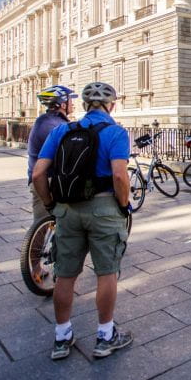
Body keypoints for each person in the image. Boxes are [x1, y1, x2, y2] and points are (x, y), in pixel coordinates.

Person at [32, 82, 133, 361]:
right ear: (111, 105)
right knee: (106, 272)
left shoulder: (62, 130)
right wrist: (124, 206)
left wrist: (51, 204)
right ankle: (105, 336)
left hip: (67, 209)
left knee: (65, 274)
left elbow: (39, 173)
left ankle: (62, 337)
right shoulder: (115, 132)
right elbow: (119, 177)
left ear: (85, 105)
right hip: (103, 208)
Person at [27, 85, 78, 221]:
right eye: (70, 100)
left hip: (41, 179)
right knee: (43, 226)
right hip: (48, 181)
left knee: (43, 225)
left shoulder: (44, 121)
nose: (73, 104)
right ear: (62, 104)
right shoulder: (56, 126)